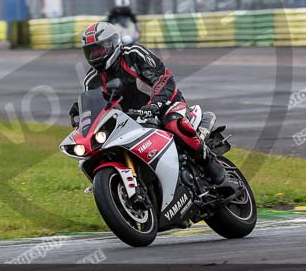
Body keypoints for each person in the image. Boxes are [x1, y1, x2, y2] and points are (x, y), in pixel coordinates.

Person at [73, 21, 234, 192]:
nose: (95, 54)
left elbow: (163, 78)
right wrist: (82, 119)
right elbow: (97, 108)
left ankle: (218, 174)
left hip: (165, 104)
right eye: (91, 51)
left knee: (175, 125)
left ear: (112, 44)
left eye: (99, 49)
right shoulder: (91, 80)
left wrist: (155, 104)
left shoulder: (134, 54)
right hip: (131, 121)